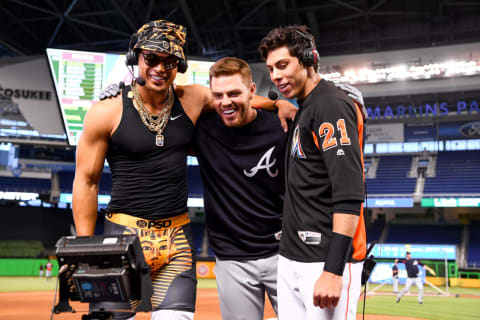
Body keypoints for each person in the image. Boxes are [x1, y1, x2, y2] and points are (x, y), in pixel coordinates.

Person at [73, 19, 294, 320]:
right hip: (122, 239)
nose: (160, 68)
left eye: (170, 61)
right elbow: (86, 182)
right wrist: (85, 251)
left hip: (176, 241)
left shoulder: (194, 99)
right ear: (134, 58)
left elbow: (235, 98)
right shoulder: (106, 111)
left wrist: (277, 104)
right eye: (151, 58)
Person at [258, 25, 367, 320]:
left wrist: (333, 270)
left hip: (324, 263)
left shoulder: (331, 105)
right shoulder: (304, 107)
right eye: (270, 69)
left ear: (309, 59)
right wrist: (277, 103)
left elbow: (348, 193)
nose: (276, 76)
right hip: (292, 257)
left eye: (283, 65)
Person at [192, 57, 287, 319]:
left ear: (252, 91)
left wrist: (279, 104)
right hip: (232, 258)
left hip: (284, 253)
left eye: (234, 93)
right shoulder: (202, 130)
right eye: (218, 95)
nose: (225, 102)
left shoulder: (281, 128)